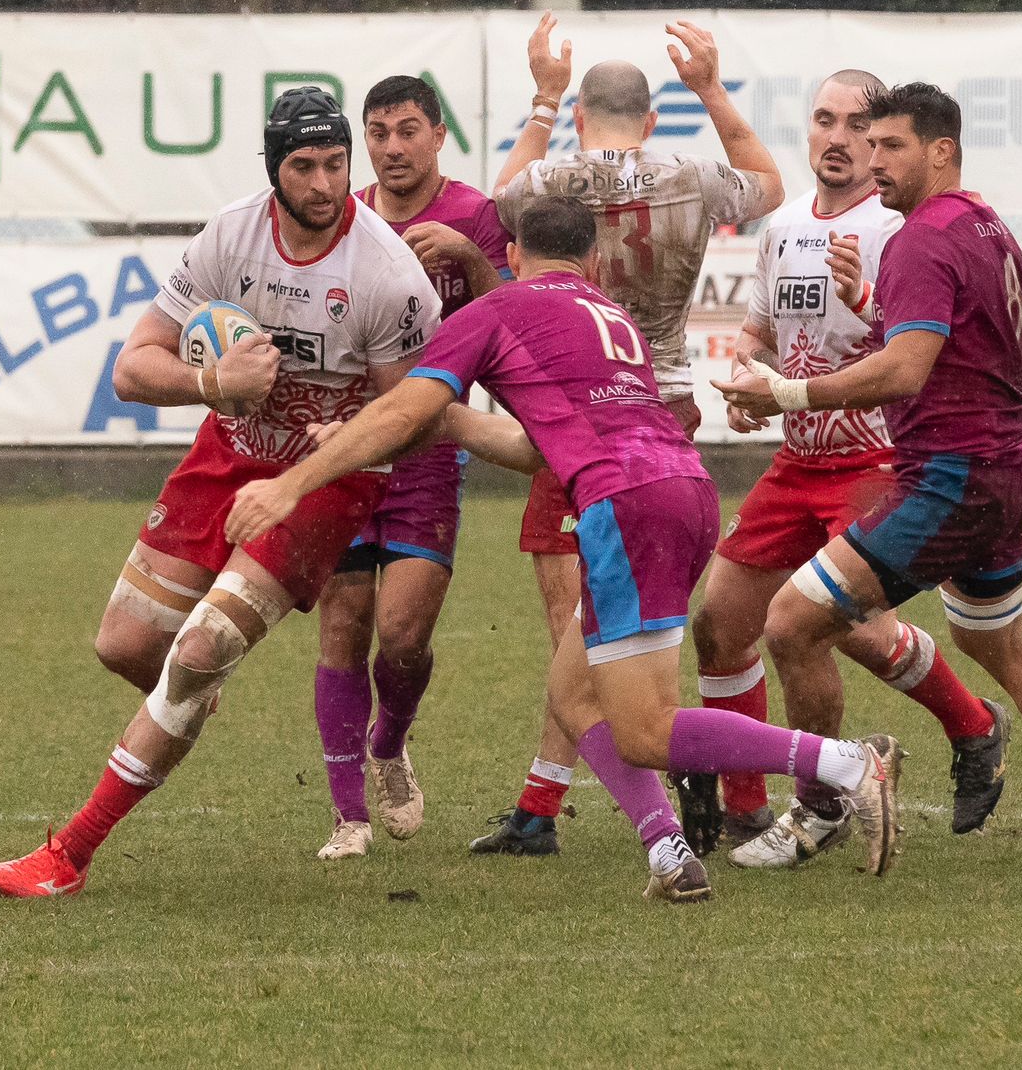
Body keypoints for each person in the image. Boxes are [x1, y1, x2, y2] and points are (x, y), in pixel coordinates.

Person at [227, 195, 902, 902]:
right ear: (593, 261)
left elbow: (404, 408)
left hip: (625, 505)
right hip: (683, 492)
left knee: (644, 731)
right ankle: (669, 852)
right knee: (573, 695)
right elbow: (532, 448)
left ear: (512, 255)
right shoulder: (610, 316)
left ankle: (848, 764)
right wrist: (440, 424)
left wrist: (291, 484)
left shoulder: (496, 309)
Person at [0, 87, 439, 898]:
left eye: (337, 164)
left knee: (195, 653)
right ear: (274, 168)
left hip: (324, 482)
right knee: (125, 647)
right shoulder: (230, 237)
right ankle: (191, 692)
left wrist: (347, 436)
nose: (325, 184)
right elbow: (132, 368)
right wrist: (213, 382)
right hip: (225, 454)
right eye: (305, 166)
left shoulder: (386, 273)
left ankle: (68, 856)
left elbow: (415, 414)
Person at [717, 83, 1022, 867]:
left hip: (949, 479)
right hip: (1011, 471)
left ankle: (820, 808)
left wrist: (786, 393)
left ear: (941, 151)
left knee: (789, 624)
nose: (875, 160)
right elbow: (956, 342)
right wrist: (867, 302)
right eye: (870, 144)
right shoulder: (987, 225)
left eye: (892, 146)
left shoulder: (919, 238)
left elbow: (904, 371)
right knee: (1000, 644)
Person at [469, 15, 785, 857]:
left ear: (581, 117)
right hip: (665, 406)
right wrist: (711, 89)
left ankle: (657, 770)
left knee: (578, 626)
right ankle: (543, 803)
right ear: (650, 119)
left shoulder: (550, 178)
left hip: (579, 413)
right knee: (627, 619)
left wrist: (542, 99)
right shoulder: (690, 173)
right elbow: (768, 184)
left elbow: (500, 200)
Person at [678, 69, 1008, 858]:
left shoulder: (898, 230)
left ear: (883, 142)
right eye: (823, 119)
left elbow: (914, 351)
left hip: (877, 458)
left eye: (857, 125)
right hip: (798, 460)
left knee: (834, 627)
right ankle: (745, 805)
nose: (837, 137)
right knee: (720, 623)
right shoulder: (785, 225)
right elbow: (758, 332)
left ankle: (899, 760)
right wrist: (747, 378)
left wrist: (864, 307)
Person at [310, 75, 512, 861]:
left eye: (406, 131)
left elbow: (513, 318)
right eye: (378, 133)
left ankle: (389, 740)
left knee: (401, 637)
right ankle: (347, 816)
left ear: (437, 135)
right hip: (347, 449)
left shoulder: (475, 218)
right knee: (342, 622)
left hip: (426, 452)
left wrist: (469, 257)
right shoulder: (345, 218)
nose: (392, 147)